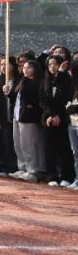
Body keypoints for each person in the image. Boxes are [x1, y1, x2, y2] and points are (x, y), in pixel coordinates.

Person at [41, 55, 75, 187]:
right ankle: (51, 176)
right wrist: (50, 115)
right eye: (49, 64)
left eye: (55, 64)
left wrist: (57, 115)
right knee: (49, 149)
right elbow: (43, 100)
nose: (52, 67)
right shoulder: (45, 80)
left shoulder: (66, 79)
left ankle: (67, 176)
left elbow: (65, 98)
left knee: (64, 149)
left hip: (63, 118)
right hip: (48, 118)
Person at [8, 60, 44, 182]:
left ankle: (32, 169)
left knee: (29, 145)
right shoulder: (22, 81)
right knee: (18, 143)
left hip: (29, 117)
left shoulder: (36, 83)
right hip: (17, 115)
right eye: (24, 67)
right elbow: (15, 97)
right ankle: (22, 167)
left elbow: (33, 97)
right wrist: (8, 92)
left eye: (28, 68)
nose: (25, 70)